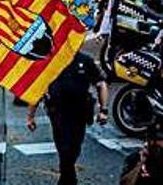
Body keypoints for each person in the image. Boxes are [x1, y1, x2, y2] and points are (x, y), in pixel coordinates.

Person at [27, 51, 109, 185]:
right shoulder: (50, 60)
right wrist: (30, 116)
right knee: (63, 147)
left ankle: (67, 176)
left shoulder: (85, 60)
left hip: (80, 112)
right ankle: (68, 179)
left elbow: (101, 84)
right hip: (58, 112)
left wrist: (104, 110)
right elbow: (38, 88)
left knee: (75, 146)